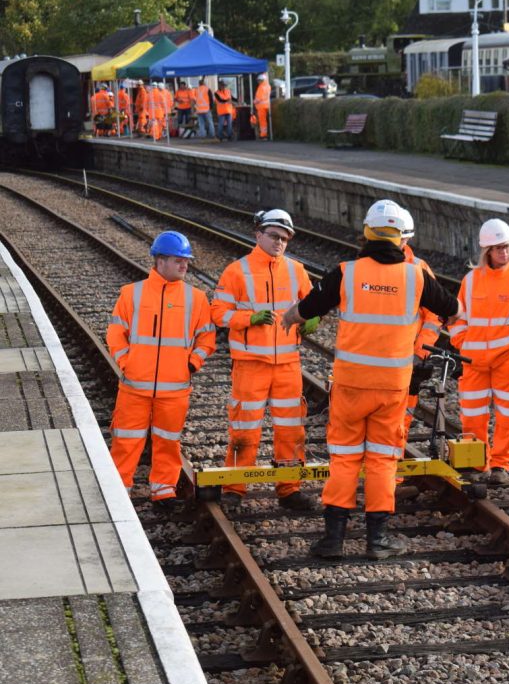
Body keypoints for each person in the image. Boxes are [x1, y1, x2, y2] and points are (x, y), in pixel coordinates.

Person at [281, 200, 461, 560]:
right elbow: (453, 309)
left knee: (345, 458)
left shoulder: (346, 272)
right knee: (381, 460)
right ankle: (378, 540)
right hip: (392, 386)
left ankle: (333, 539)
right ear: (400, 238)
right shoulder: (415, 276)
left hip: (351, 384)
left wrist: (289, 317)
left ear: (367, 233)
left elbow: (309, 307)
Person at [211, 209, 318, 510]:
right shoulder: (237, 271)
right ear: (258, 234)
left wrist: (314, 318)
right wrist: (250, 318)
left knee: (291, 429)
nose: (279, 242)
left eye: (284, 239)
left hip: (287, 366)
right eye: (274, 236)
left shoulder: (296, 270)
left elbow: (312, 303)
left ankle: (290, 490)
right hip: (250, 364)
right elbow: (218, 313)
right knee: (244, 429)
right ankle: (234, 487)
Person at [106, 231, 216, 512]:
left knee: (168, 441)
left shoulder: (197, 298)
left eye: (186, 261)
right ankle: (120, 489)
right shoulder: (132, 293)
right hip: (134, 386)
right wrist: (125, 362)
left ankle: (163, 489)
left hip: (175, 387)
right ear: (160, 261)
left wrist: (192, 364)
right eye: (179, 260)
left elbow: (207, 338)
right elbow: (116, 333)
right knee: (126, 441)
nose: (185, 266)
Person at [449, 218, 509, 485]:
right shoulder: (471, 280)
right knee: (472, 414)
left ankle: (501, 465)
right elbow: (459, 319)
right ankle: (478, 464)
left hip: (507, 361)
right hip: (473, 361)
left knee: (507, 416)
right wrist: (462, 344)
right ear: (486, 251)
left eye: (507, 246)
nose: (504, 252)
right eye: (498, 248)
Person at [399, 206, 442, 439]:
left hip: (408, 356)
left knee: (404, 410)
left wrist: (421, 350)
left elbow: (435, 315)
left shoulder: (418, 269)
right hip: (376, 357)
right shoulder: (365, 267)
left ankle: (393, 467)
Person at [254, 73, 271, 139]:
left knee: (262, 121)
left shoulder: (261, 87)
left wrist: (254, 101)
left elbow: (259, 97)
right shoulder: (268, 86)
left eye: (259, 80)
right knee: (266, 121)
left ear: (262, 80)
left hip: (261, 106)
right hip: (267, 105)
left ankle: (263, 134)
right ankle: (265, 134)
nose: (258, 81)